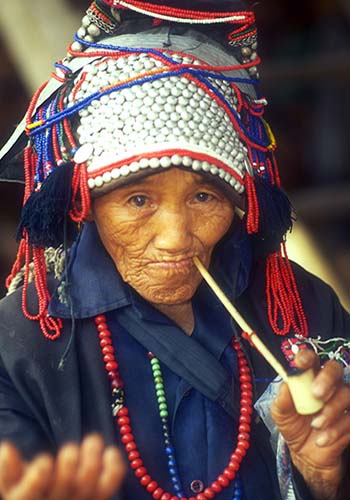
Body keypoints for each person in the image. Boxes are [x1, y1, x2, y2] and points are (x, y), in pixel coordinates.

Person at [0, 1, 349, 499]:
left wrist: (322, 475)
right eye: (138, 200)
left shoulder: (305, 310)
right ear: (86, 201)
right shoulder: (18, 347)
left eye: (204, 197)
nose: (175, 236)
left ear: (238, 201)